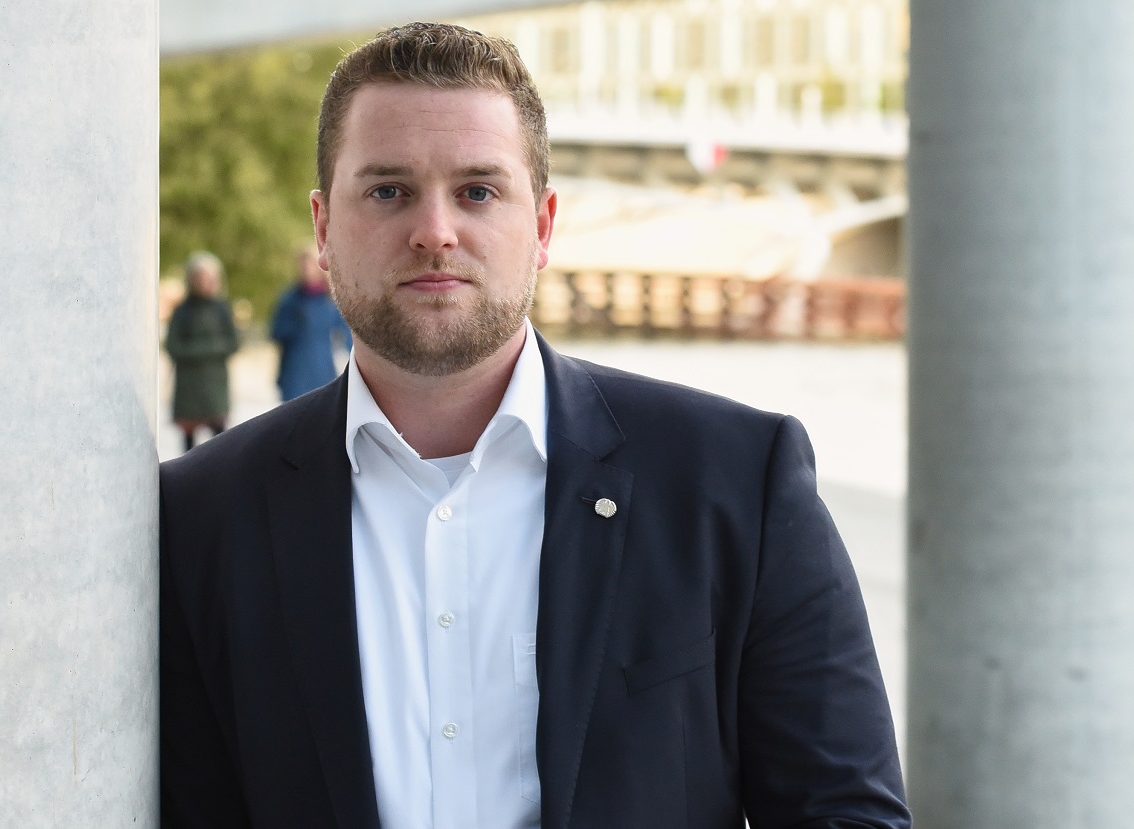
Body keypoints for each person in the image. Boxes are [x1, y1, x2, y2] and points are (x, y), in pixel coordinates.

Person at [159, 22, 910, 829]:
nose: (435, 231)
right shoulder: (197, 518)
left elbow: (845, 814)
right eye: (387, 191)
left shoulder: (736, 481)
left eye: (478, 191)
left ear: (544, 224)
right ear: (323, 229)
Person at [163, 251, 239, 451]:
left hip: (215, 385)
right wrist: (208, 349)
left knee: (220, 441)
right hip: (189, 385)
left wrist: (204, 350)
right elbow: (173, 346)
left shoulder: (222, 309)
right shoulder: (182, 312)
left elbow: (233, 343)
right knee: (188, 446)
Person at [270, 246, 353, 401]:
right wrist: (296, 323)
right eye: (303, 266)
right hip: (295, 371)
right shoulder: (290, 299)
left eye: (310, 265)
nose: (306, 270)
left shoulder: (332, 300)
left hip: (325, 371)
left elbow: (345, 338)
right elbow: (277, 332)